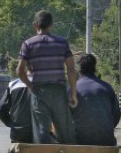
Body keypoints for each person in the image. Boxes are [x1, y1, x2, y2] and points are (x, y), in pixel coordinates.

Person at [16, 10, 78, 144]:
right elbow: (71, 69)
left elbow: (20, 71)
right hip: (59, 91)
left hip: (39, 91)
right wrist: (73, 93)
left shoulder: (28, 44)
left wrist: (30, 86)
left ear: (35, 25)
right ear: (51, 24)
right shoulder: (62, 43)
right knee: (65, 130)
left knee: (41, 132)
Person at [71, 54, 121, 146]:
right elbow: (116, 114)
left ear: (79, 69)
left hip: (79, 141)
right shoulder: (107, 87)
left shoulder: (72, 89)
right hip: (106, 141)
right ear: (94, 67)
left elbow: (65, 117)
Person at [0, 76, 33, 143]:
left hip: (17, 134)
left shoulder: (13, 84)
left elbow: (1, 109)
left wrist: (12, 124)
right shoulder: (44, 84)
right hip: (38, 134)